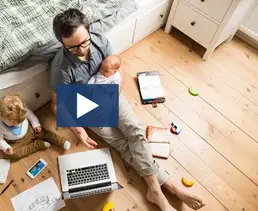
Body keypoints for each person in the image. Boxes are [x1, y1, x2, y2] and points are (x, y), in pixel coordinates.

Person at [50, 8, 206, 211]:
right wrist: (77, 130)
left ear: (88, 31)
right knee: (123, 144)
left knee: (136, 131)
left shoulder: (99, 41)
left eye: (84, 42)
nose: (81, 50)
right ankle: (168, 187)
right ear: (62, 43)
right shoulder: (61, 69)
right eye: (72, 48)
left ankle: (157, 190)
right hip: (86, 108)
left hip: (109, 94)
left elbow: (118, 68)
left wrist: (115, 92)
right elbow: (56, 105)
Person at [0, 93, 71, 158]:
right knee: (14, 154)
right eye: (13, 123)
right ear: (2, 115)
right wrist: (6, 147)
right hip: (16, 141)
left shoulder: (22, 110)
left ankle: (62, 141)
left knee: (45, 133)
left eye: (20, 122)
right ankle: (37, 145)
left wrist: (36, 125)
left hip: (30, 130)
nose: (17, 125)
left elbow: (31, 116)